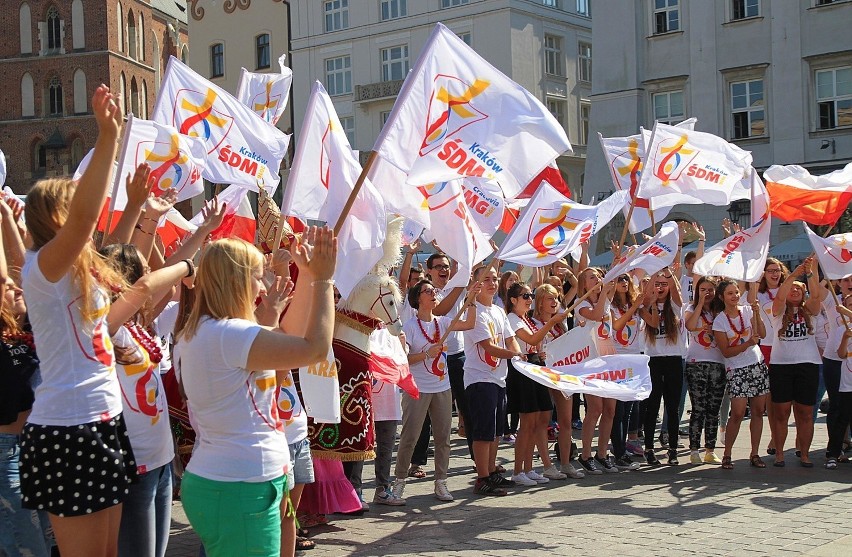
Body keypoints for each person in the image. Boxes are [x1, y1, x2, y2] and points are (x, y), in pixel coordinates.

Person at [18, 86, 144, 557]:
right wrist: (108, 138)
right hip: (68, 427)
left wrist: (132, 206)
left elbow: (115, 248)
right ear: (55, 218)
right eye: (71, 206)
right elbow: (88, 222)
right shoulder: (43, 267)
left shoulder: (78, 268)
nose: (82, 210)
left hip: (101, 418)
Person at [175, 228, 337, 557]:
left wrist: (305, 275)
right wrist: (323, 282)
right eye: (257, 278)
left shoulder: (215, 332)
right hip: (239, 486)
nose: (262, 287)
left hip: (236, 481)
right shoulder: (228, 335)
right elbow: (315, 348)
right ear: (237, 281)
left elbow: (287, 336)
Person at [100, 244, 192, 557]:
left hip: (162, 458)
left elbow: (159, 284)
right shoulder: (105, 328)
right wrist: (190, 266)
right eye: (145, 268)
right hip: (132, 465)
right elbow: (150, 286)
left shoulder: (140, 327)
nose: (153, 272)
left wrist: (204, 231)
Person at [391, 279, 477, 503]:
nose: (433, 293)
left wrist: (473, 299)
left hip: (442, 387)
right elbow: (404, 360)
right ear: (418, 298)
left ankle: (441, 482)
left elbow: (469, 324)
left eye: (433, 290)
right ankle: (399, 482)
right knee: (410, 436)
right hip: (418, 389)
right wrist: (426, 354)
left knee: (443, 438)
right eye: (427, 291)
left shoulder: (444, 322)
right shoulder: (409, 326)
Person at [0, 218, 54, 556]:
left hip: (36, 447)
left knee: (46, 541)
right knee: (25, 544)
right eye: (6, 288)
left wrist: (6, 218)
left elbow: (24, 273)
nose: (17, 289)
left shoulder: (32, 327)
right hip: (5, 454)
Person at [464, 266, 523, 496]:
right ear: (476, 283)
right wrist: (514, 355)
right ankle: (482, 478)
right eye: (486, 279)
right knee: (484, 431)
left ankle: (492, 471)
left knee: (497, 431)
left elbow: (510, 339)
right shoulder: (473, 312)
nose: (491, 283)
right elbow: (489, 347)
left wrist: (518, 354)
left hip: (499, 378)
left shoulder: (498, 310)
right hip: (480, 378)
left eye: (494, 279)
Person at [504, 282, 569, 485]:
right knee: (527, 423)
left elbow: (533, 343)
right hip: (522, 370)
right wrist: (551, 323)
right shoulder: (513, 319)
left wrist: (539, 352)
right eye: (525, 296)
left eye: (531, 294)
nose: (529, 299)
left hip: (534, 365)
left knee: (540, 418)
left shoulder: (525, 319)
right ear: (513, 300)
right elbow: (531, 339)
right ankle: (517, 471)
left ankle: (528, 468)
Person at [768, 258, 823, 467]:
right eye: (791, 289)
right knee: (781, 412)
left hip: (807, 365)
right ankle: (780, 453)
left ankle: (805, 453)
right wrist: (792, 276)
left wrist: (810, 273)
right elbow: (780, 297)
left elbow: (816, 295)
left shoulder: (810, 311)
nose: (794, 291)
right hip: (781, 365)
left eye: (799, 290)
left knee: (805, 412)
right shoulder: (779, 311)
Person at [712, 280, 767, 470]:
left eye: (736, 292)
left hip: (756, 364)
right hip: (736, 368)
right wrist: (747, 344)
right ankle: (727, 453)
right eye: (730, 293)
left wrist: (757, 312)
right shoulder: (719, 320)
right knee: (737, 412)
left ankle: (755, 453)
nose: (735, 296)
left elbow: (762, 333)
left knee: (758, 411)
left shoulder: (748, 310)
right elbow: (726, 351)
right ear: (721, 297)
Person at [574, 268, 621, 473]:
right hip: (591, 362)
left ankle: (602, 453)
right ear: (584, 284)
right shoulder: (581, 305)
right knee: (595, 409)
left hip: (608, 359)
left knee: (610, 409)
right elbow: (595, 314)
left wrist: (619, 262)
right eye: (592, 277)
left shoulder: (606, 299)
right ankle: (585, 454)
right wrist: (602, 294)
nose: (598, 279)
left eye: (598, 276)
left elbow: (616, 278)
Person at [638, 268, 685, 466]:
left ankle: (672, 448)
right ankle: (648, 448)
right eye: (656, 285)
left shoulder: (675, 306)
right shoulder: (645, 307)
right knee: (652, 405)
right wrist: (655, 272)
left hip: (674, 359)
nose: (660, 288)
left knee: (672, 407)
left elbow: (675, 288)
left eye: (663, 285)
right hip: (653, 360)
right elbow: (647, 296)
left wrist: (666, 272)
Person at [683, 276, 726, 465]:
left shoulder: (721, 312)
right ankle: (694, 450)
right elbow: (690, 326)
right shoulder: (690, 309)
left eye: (710, 289)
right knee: (698, 408)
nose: (707, 293)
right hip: (696, 363)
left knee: (713, 409)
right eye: (702, 289)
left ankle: (710, 449)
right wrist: (700, 303)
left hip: (718, 363)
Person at [610, 273, 648, 470]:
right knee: (619, 410)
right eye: (619, 280)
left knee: (629, 408)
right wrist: (634, 307)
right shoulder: (612, 306)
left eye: (626, 280)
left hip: (635, 358)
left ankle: (622, 449)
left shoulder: (635, 303)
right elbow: (617, 326)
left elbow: (650, 321)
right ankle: (618, 452)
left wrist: (644, 300)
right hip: (618, 359)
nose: (624, 283)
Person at [826, 293, 852, 469]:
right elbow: (841, 354)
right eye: (849, 305)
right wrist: (845, 338)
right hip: (848, 382)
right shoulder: (842, 329)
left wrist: (847, 312)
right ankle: (833, 454)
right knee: (842, 418)